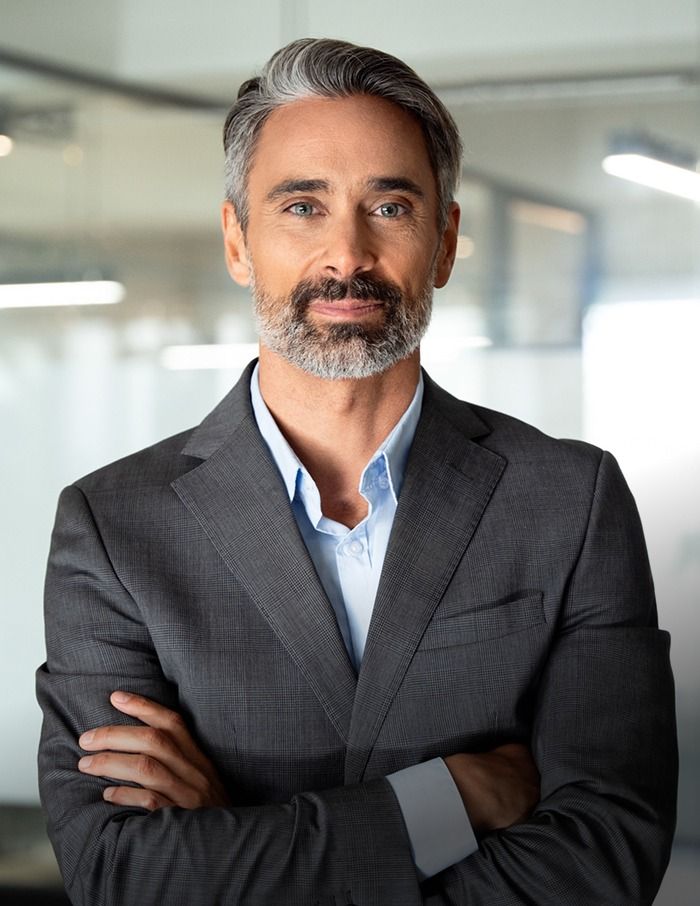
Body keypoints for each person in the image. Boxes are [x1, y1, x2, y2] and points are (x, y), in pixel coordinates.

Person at [37, 38, 677, 906]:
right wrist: (450, 799)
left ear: (444, 243)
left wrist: (233, 840)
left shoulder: (570, 499)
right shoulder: (113, 526)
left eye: (390, 206)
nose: (347, 254)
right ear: (238, 240)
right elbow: (121, 874)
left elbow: (606, 857)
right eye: (302, 205)